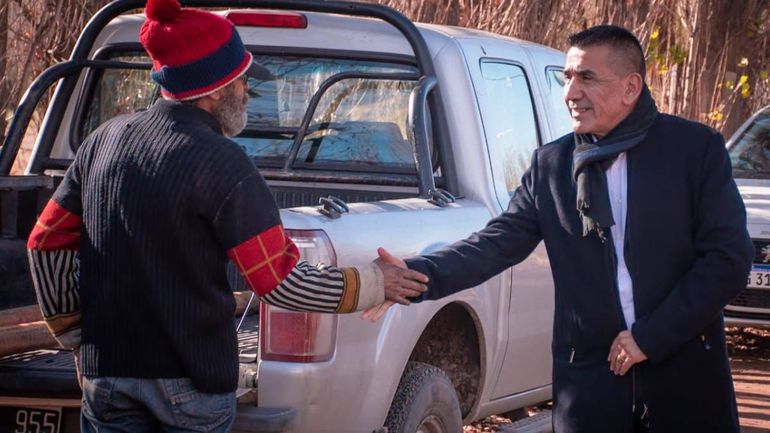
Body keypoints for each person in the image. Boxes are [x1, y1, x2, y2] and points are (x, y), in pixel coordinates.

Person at [25, 0, 427, 431]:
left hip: (108, 379)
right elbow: (280, 282)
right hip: (191, 385)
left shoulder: (101, 143)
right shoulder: (223, 164)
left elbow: (44, 243)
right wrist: (373, 282)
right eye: (241, 81)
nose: (246, 92)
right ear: (216, 88)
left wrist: (75, 334)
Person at [365, 25, 753, 433]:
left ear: (630, 87)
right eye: (568, 78)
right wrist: (413, 278)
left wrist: (650, 338)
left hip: (684, 379)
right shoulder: (552, 165)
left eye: (587, 77)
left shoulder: (695, 151)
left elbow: (728, 260)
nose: (570, 93)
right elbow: (496, 244)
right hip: (591, 388)